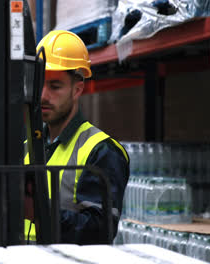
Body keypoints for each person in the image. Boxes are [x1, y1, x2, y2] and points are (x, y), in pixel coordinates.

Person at [24, 30, 130, 245]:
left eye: (55, 86)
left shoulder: (101, 151)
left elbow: (100, 231)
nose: (43, 95)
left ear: (77, 89)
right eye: (40, 84)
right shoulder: (27, 147)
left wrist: (41, 211)